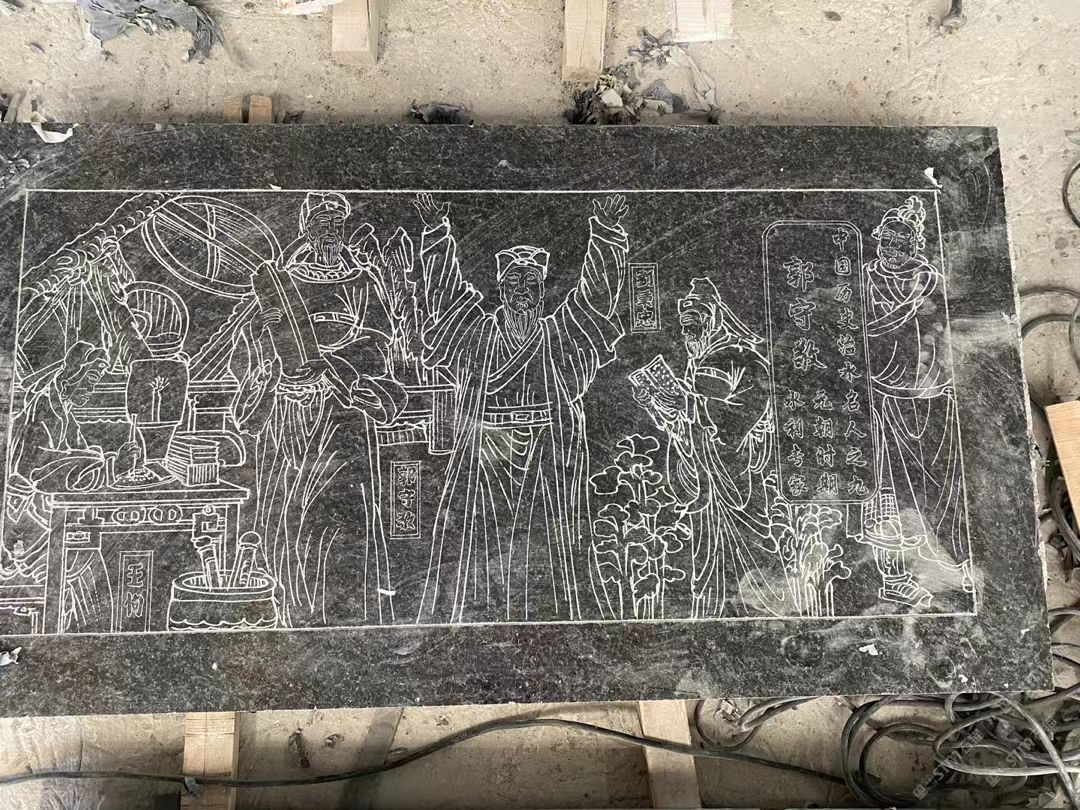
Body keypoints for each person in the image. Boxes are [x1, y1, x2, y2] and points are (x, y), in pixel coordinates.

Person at [411, 192, 629, 623]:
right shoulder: (478, 334)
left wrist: (604, 233)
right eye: (514, 282)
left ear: (543, 288)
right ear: (501, 288)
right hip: (487, 450)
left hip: (546, 451)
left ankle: (549, 622)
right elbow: (446, 295)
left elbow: (595, 299)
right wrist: (436, 231)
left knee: (544, 544)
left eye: (532, 282)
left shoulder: (560, 336)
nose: (523, 291)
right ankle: (479, 621)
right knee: (480, 544)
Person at [234, 192, 406, 628]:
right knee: (285, 513)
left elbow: (379, 343)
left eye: (337, 223)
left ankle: (345, 612)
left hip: (340, 409)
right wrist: (260, 335)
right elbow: (250, 350)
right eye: (321, 223)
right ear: (306, 229)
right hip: (287, 410)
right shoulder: (282, 281)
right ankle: (286, 608)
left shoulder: (362, 280)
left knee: (339, 512)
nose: (330, 231)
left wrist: (332, 364)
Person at [634, 278, 788, 618]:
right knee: (707, 563)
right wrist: (655, 404)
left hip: (735, 481)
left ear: (714, 317)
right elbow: (688, 430)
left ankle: (761, 616)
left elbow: (733, 423)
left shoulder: (738, 358)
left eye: (694, 321)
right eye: (683, 324)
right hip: (708, 486)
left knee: (750, 555)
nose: (687, 330)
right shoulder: (700, 362)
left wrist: (686, 402)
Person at [860, 196, 972, 607]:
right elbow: (865, 330)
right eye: (886, 240)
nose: (892, 249)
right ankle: (896, 576)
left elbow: (944, 331)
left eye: (901, 242)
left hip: (930, 393)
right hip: (886, 396)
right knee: (888, 491)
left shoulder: (927, 279)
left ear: (915, 245)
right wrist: (906, 307)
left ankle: (951, 563)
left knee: (941, 484)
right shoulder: (866, 281)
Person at [3, 341, 142, 631]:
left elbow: (81, 451)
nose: (91, 389)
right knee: (92, 557)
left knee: (96, 550)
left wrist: (104, 460)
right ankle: (84, 632)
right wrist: (112, 468)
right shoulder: (45, 410)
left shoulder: (61, 407)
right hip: (26, 527)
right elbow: (50, 473)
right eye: (90, 379)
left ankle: (90, 632)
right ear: (72, 374)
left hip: (46, 516)